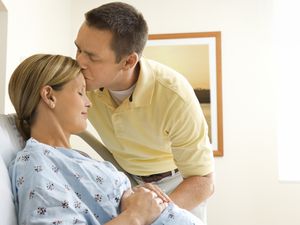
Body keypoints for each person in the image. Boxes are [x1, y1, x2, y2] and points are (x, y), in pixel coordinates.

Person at [8, 54, 203, 225]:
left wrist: (140, 196)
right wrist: (137, 215)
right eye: (80, 92)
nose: (89, 102)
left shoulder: (69, 158)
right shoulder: (35, 162)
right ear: (49, 96)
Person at [74, 2, 215, 223]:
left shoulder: (174, 95)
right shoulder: (80, 81)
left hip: (177, 183)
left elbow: (203, 182)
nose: (79, 61)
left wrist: (154, 212)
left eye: (92, 56)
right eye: (78, 49)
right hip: (124, 178)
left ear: (129, 61)